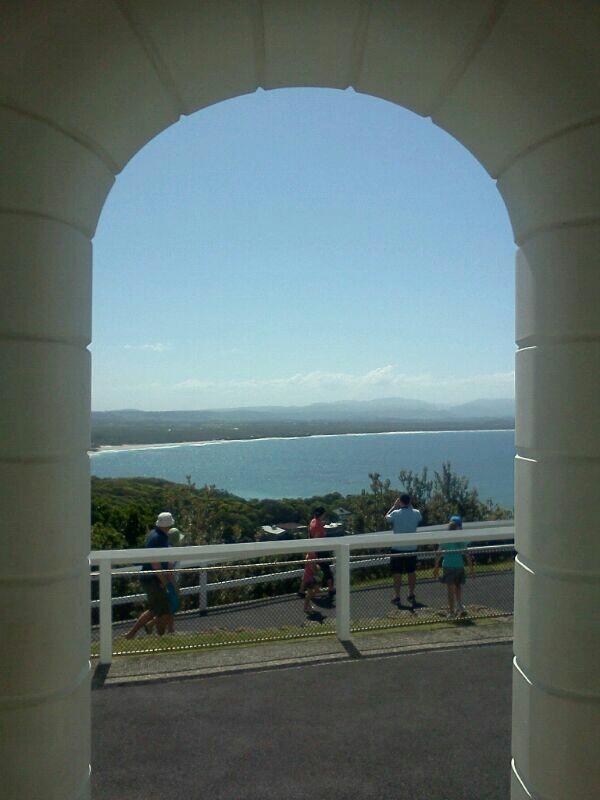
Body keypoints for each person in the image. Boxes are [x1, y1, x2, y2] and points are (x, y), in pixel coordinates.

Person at [125, 512, 178, 639]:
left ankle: (164, 632)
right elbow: (155, 564)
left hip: (151, 577)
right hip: (153, 579)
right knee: (159, 609)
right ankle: (137, 633)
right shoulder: (160, 539)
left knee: (163, 607)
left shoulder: (154, 535)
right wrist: (165, 581)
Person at [385, 493, 422, 609]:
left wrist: (394, 506)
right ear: (410, 501)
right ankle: (411, 594)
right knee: (411, 572)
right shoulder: (416, 513)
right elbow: (419, 518)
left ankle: (397, 596)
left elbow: (386, 518)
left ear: (400, 501)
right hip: (412, 548)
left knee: (397, 573)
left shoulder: (395, 513)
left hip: (397, 548)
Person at [434, 515, 474, 619]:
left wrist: (436, 568)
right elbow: (467, 554)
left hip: (448, 566)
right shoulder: (461, 540)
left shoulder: (445, 539)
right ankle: (459, 606)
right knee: (458, 587)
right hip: (459, 566)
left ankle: (452, 612)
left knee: (450, 590)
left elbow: (438, 553)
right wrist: (471, 569)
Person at [309, 506, 335, 604]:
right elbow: (316, 539)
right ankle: (330, 589)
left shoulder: (313, 521)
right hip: (321, 551)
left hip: (315, 551)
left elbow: (311, 536)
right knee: (326, 571)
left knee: (317, 571)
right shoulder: (319, 525)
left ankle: (312, 590)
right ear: (322, 514)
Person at [300, 552, 326, 623]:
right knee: (310, 593)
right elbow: (313, 568)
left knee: (311, 593)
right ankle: (306, 608)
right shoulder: (312, 555)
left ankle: (308, 606)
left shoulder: (309, 554)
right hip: (310, 578)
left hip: (308, 577)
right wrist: (318, 570)